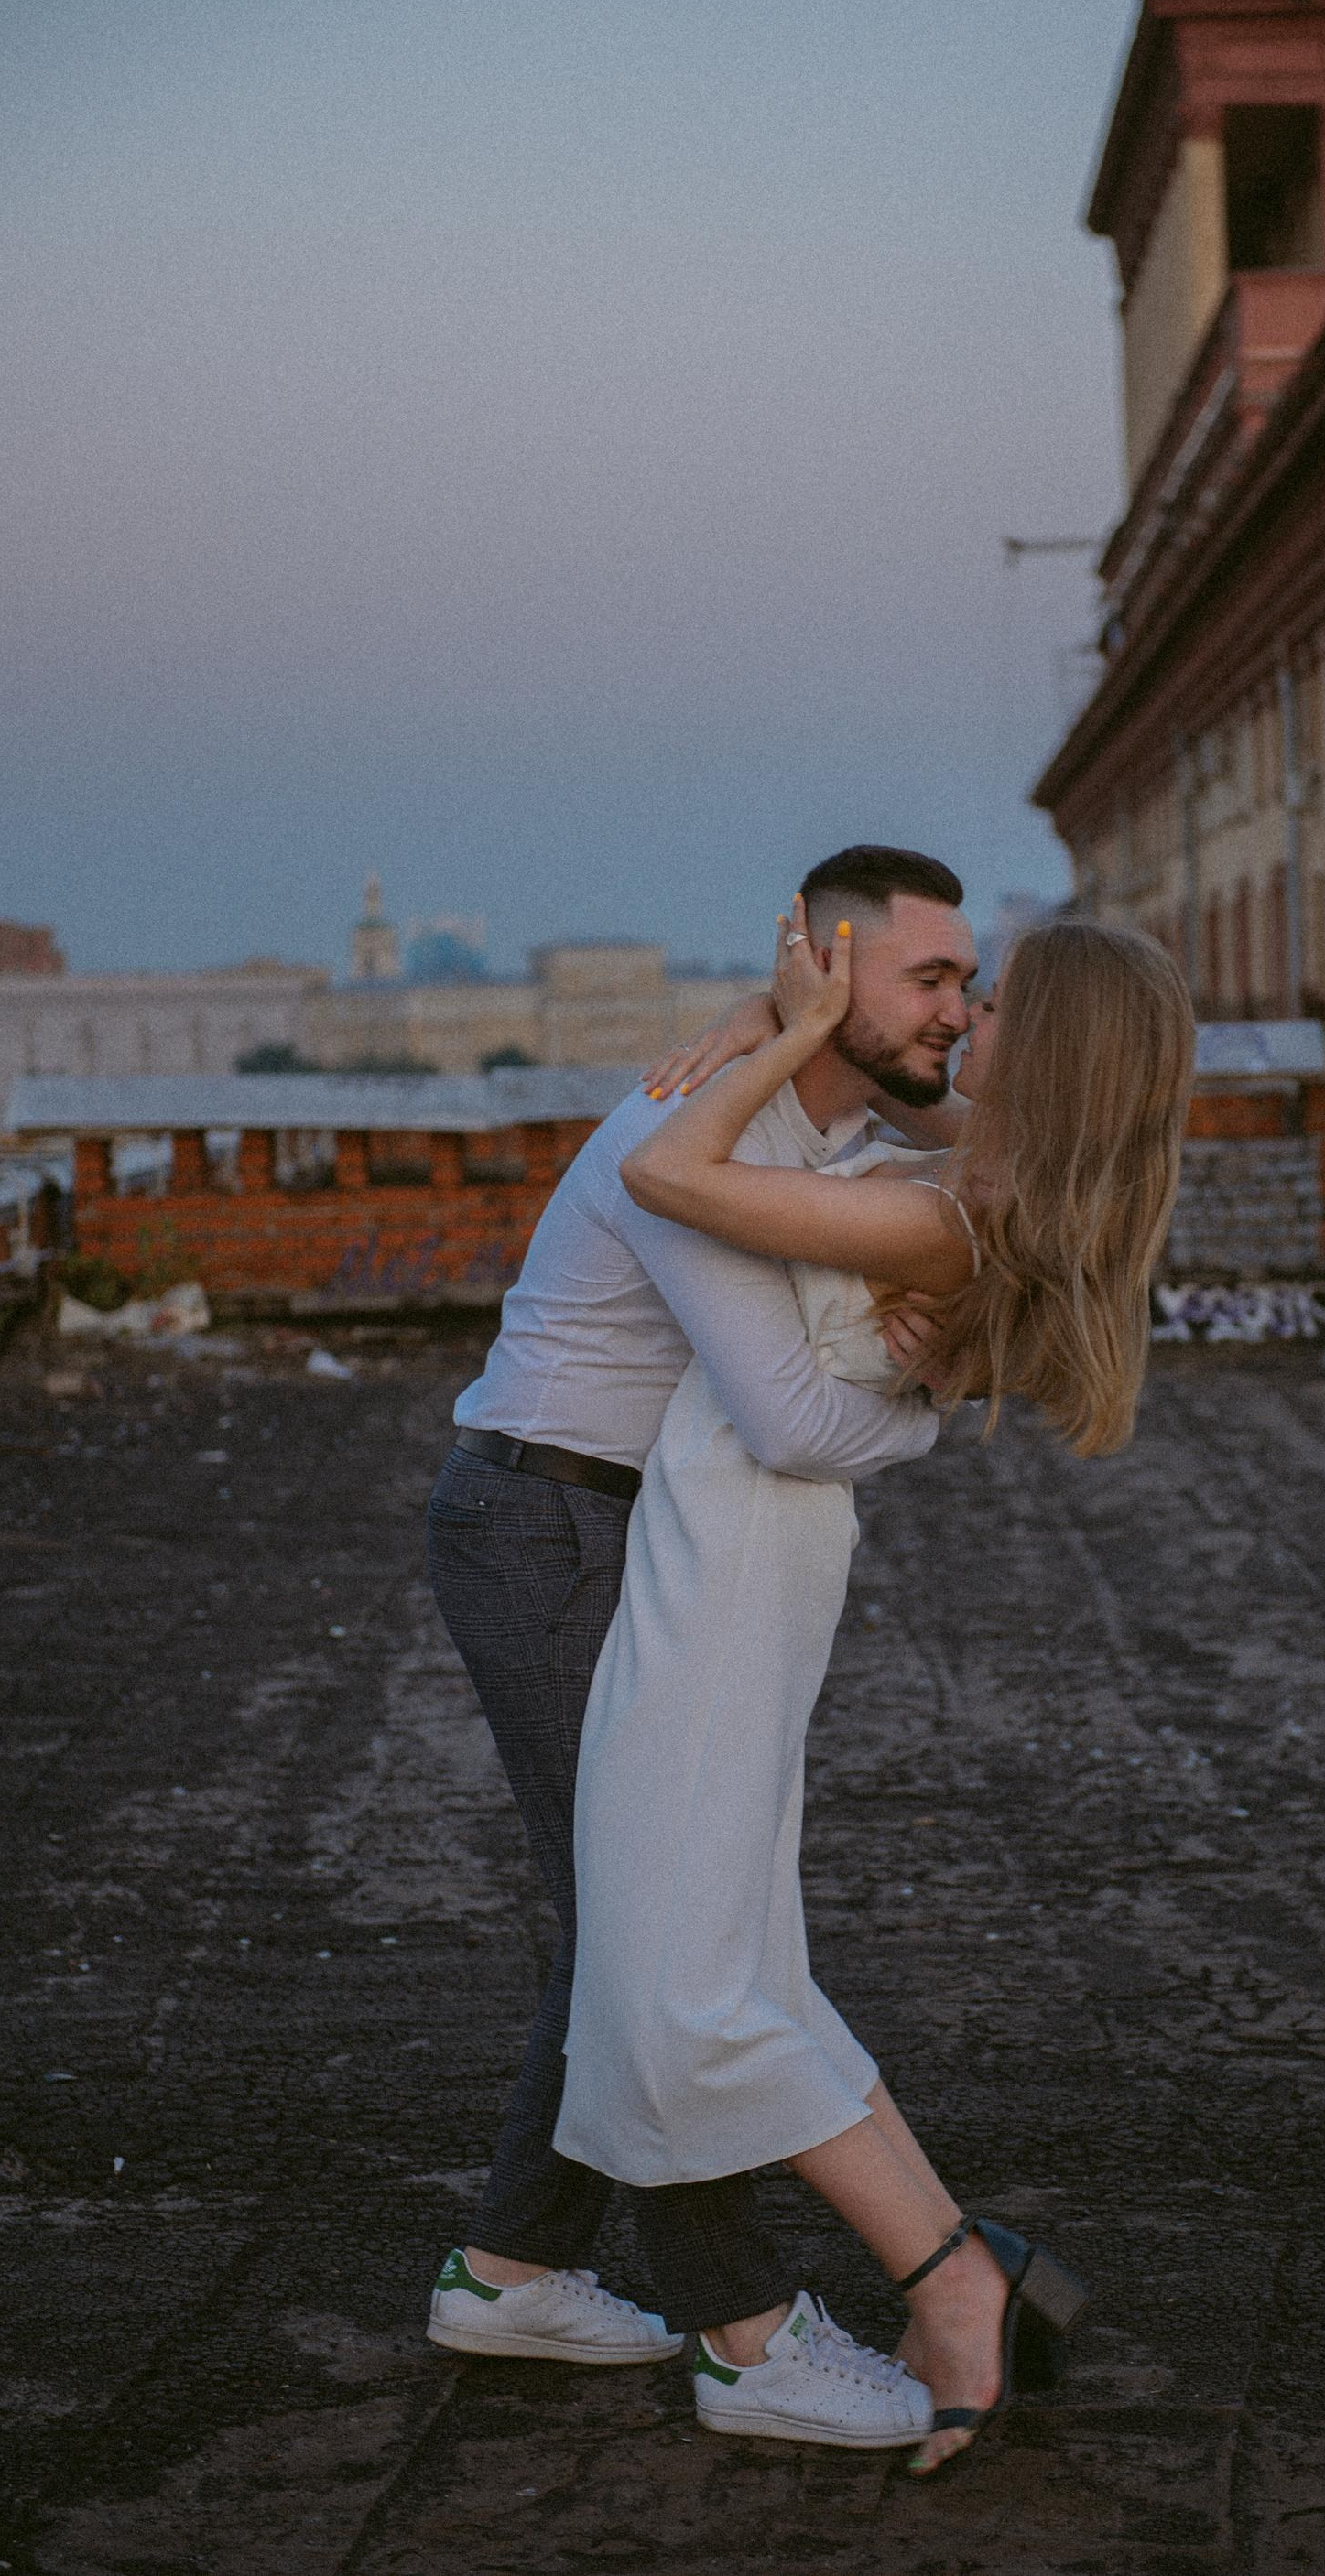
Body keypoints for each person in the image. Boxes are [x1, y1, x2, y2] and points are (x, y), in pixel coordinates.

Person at [558, 894, 1195, 2473]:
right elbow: (953, 1119)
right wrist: (782, 1041)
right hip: (741, 1552)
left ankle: (946, 2277)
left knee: (688, 1982)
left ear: (1050, 1053)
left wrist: (777, 1034)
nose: (965, 1020)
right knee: (719, 1953)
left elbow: (664, 1177)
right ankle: (948, 2272)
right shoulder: (1005, 1179)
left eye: (997, 1005)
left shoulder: (949, 1219)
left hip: (728, 1566)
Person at [423, 849, 974, 2438]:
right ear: (828, 962)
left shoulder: (830, 1114)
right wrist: (935, 1395)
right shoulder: (701, 1128)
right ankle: (740, 2328)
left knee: (636, 1922)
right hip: (553, 1530)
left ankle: (513, 2269)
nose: (961, 1009)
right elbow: (797, 1420)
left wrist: (791, 1024)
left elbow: (1002, 1135)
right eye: (929, 979)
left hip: (624, 1527)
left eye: (968, 979)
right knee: (658, 1940)